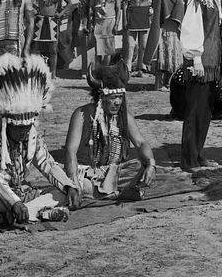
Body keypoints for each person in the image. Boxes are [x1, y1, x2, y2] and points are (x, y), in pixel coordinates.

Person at [0, 53, 80, 224]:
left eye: (26, 128)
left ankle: (26, 214)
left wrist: (68, 185)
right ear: (8, 124)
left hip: (21, 193)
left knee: (63, 193)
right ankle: (36, 213)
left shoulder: (31, 134)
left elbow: (47, 164)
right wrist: (14, 202)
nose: (23, 132)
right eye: (19, 128)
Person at [64, 58, 156, 200]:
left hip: (114, 173)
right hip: (87, 174)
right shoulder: (82, 115)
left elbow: (140, 143)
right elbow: (70, 152)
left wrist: (151, 164)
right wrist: (74, 183)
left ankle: (112, 192)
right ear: (101, 98)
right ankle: (116, 193)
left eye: (120, 97)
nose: (118, 102)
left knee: (144, 166)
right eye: (113, 98)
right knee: (78, 184)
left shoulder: (123, 115)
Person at [179, 0, 222, 171]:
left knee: (205, 112)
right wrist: (196, 59)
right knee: (194, 111)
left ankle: (199, 154)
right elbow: (192, 28)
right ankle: (189, 158)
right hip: (200, 62)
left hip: (211, 62)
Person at [146, 0, 186, 90]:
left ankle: (167, 83)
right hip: (164, 31)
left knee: (172, 59)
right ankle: (158, 84)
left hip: (173, 32)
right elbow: (161, 12)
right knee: (162, 59)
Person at [31, 0, 71, 78]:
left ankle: (53, 73)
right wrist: (35, 9)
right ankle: (37, 71)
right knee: (36, 47)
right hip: (40, 21)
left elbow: (69, 3)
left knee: (53, 49)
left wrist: (61, 13)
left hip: (52, 21)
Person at [122, 0, 154, 76]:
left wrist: (153, 15)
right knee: (130, 44)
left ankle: (142, 67)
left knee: (144, 45)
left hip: (144, 13)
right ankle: (128, 68)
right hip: (133, 13)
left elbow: (154, 2)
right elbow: (125, 2)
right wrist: (125, 19)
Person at [91, 0, 121, 66]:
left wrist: (116, 24)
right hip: (98, 22)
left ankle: (105, 70)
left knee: (108, 49)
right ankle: (98, 69)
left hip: (110, 22)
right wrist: (90, 22)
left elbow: (118, 9)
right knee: (98, 49)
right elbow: (91, 8)